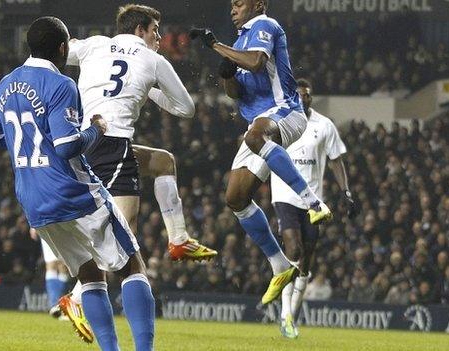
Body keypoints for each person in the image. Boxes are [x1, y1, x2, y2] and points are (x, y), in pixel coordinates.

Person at [0, 17, 154, 351]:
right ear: (63, 48)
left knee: (89, 274)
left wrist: (27, 141)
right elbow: (67, 146)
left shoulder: (5, 84)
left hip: (34, 202)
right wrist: (96, 129)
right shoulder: (61, 85)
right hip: (75, 192)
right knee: (132, 265)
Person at [59, 4, 218, 340]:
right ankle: (75, 297)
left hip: (81, 142)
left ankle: (178, 239)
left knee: (163, 161)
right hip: (112, 144)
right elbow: (186, 109)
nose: (159, 38)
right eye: (156, 31)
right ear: (140, 29)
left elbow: (60, 49)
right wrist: (149, 88)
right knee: (123, 234)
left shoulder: (93, 44)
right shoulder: (152, 59)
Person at [190, 0, 332, 305]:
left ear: (259, 5)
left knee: (254, 136)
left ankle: (313, 202)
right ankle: (280, 266)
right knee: (235, 198)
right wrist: (227, 73)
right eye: (231, 4)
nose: (233, 8)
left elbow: (255, 62)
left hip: (286, 112)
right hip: (259, 123)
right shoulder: (241, 41)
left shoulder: (265, 26)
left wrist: (215, 45)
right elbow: (235, 93)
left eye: (240, 3)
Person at [270, 79, 357, 338]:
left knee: (305, 262)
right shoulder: (280, 122)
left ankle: (292, 317)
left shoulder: (324, 125)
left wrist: (346, 191)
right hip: (285, 196)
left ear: (311, 98)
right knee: (293, 250)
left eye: (307, 95)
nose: (303, 99)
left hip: (314, 202)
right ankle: (285, 314)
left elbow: (336, 161)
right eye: (299, 95)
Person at [29, 228, 69, 318]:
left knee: (63, 266)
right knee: (52, 264)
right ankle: (55, 305)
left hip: (64, 225)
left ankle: (61, 306)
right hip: (47, 224)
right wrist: (33, 226)